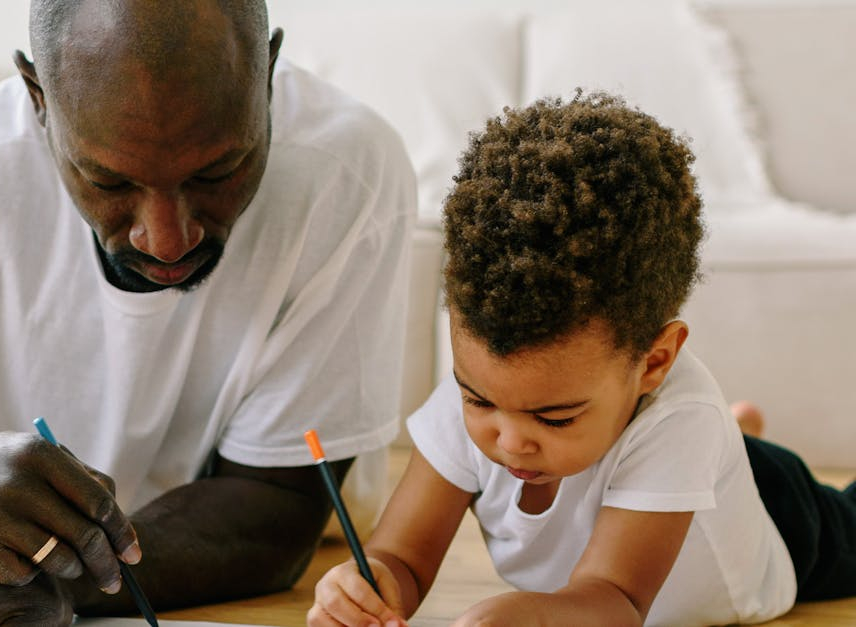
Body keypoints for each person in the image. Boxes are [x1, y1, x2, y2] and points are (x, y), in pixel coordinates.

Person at [0, 0, 416, 624]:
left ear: (268, 73)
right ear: (38, 96)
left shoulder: (349, 172)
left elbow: (276, 509)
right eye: (111, 182)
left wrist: (50, 579)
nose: (167, 240)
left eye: (218, 171)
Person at [308, 92, 856, 626]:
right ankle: (736, 440)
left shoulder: (680, 421)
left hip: (783, 521)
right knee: (697, 442)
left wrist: (528, 617)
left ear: (655, 363)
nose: (510, 439)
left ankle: (735, 448)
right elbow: (402, 556)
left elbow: (614, 598)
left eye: (555, 417)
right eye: (478, 399)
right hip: (683, 456)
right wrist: (369, 584)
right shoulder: (485, 392)